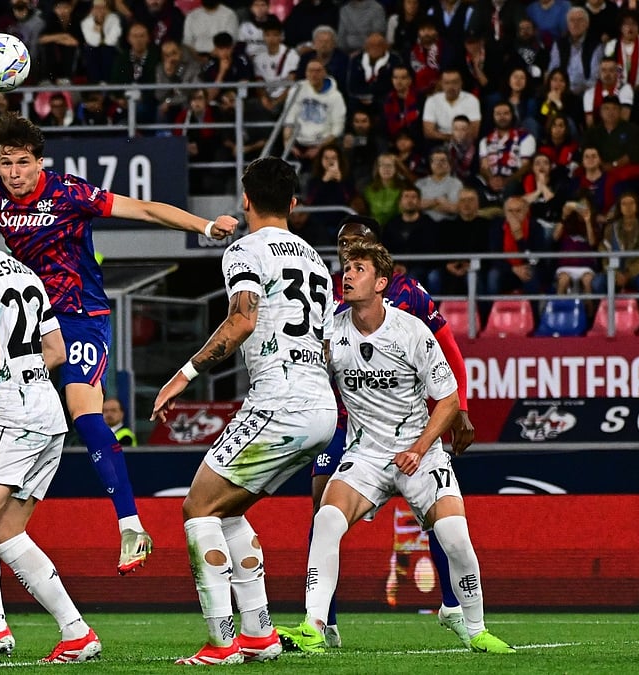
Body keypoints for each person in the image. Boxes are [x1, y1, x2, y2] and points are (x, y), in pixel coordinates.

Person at [0, 112, 237, 574]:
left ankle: (131, 527)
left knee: (85, 412)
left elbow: (144, 209)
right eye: (5, 163)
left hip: (81, 316)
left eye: (21, 163)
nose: (13, 173)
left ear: (40, 162)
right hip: (36, 317)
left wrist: (204, 227)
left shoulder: (69, 192)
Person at [277, 240, 514, 655]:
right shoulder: (331, 331)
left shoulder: (411, 330)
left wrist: (420, 449)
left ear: (382, 282)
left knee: (456, 536)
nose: (347, 274)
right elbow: (305, 379)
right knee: (327, 521)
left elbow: (449, 398)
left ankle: (474, 628)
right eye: (346, 268)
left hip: (418, 453)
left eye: (359, 269)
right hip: (365, 454)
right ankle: (314, 625)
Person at [150, 157, 335, 665]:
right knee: (228, 509)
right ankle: (259, 635)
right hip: (320, 406)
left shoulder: (245, 250)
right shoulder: (317, 260)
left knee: (197, 509)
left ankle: (220, 642)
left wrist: (182, 376)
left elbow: (242, 320)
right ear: (293, 204)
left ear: (246, 200)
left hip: (280, 399)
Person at [0, 184, 101, 665]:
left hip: (11, 412)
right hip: (48, 411)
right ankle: (77, 632)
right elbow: (56, 351)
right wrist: (3, 385)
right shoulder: (24, 271)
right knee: (7, 531)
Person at [311, 215, 474, 648]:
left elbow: (448, 348)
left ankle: (454, 605)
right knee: (323, 507)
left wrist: (460, 411)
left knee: (441, 518)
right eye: (342, 244)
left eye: (356, 244)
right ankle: (323, 620)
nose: (347, 252)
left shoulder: (409, 293)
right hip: (345, 418)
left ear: (375, 250)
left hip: (405, 421)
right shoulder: (329, 294)